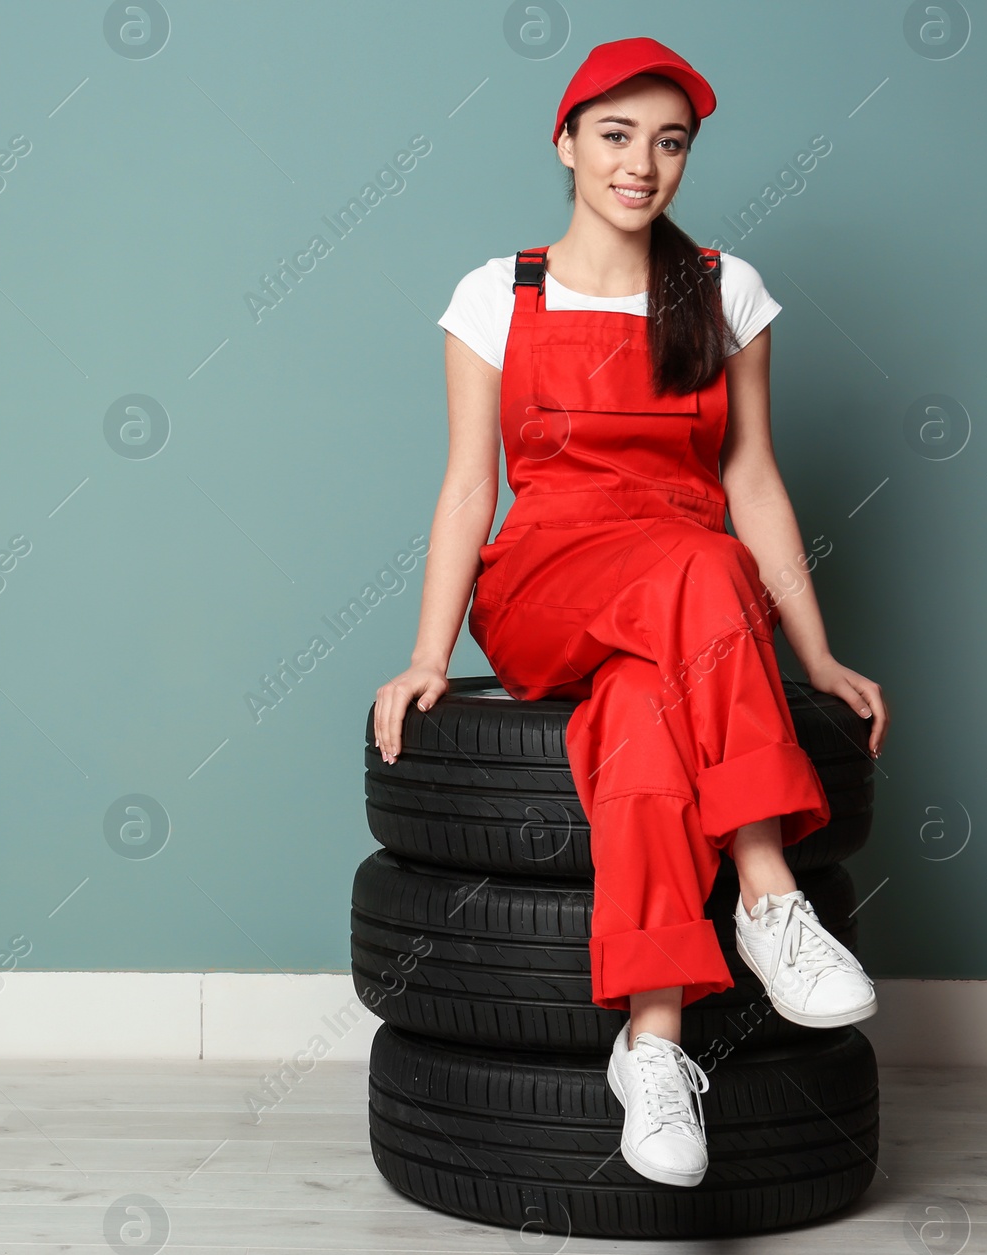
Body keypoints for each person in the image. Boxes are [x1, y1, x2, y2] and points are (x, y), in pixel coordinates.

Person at [372, 37, 889, 1190]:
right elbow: (470, 483)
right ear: (564, 143)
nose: (641, 164)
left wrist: (819, 653)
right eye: (616, 136)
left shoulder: (724, 289)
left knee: (648, 718)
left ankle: (651, 1045)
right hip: (546, 579)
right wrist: (425, 654)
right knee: (699, 571)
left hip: (681, 605)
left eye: (670, 142)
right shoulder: (494, 294)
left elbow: (751, 478)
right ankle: (767, 889)